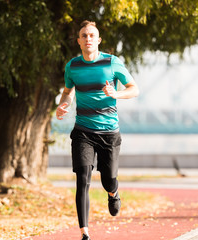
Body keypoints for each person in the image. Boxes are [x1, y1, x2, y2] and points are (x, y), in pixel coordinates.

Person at [56, 20, 139, 240]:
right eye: (84, 36)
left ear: (98, 39)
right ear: (78, 41)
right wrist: (63, 103)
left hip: (109, 132)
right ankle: (84, 232)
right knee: (83, 177)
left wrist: (116, 94)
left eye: (92, 35)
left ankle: (113, 192)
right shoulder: (72, 66)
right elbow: (68, 91)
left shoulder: (112, 63)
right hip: (83, 130)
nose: (88, 39)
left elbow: (134, 89)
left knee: (108, 179)